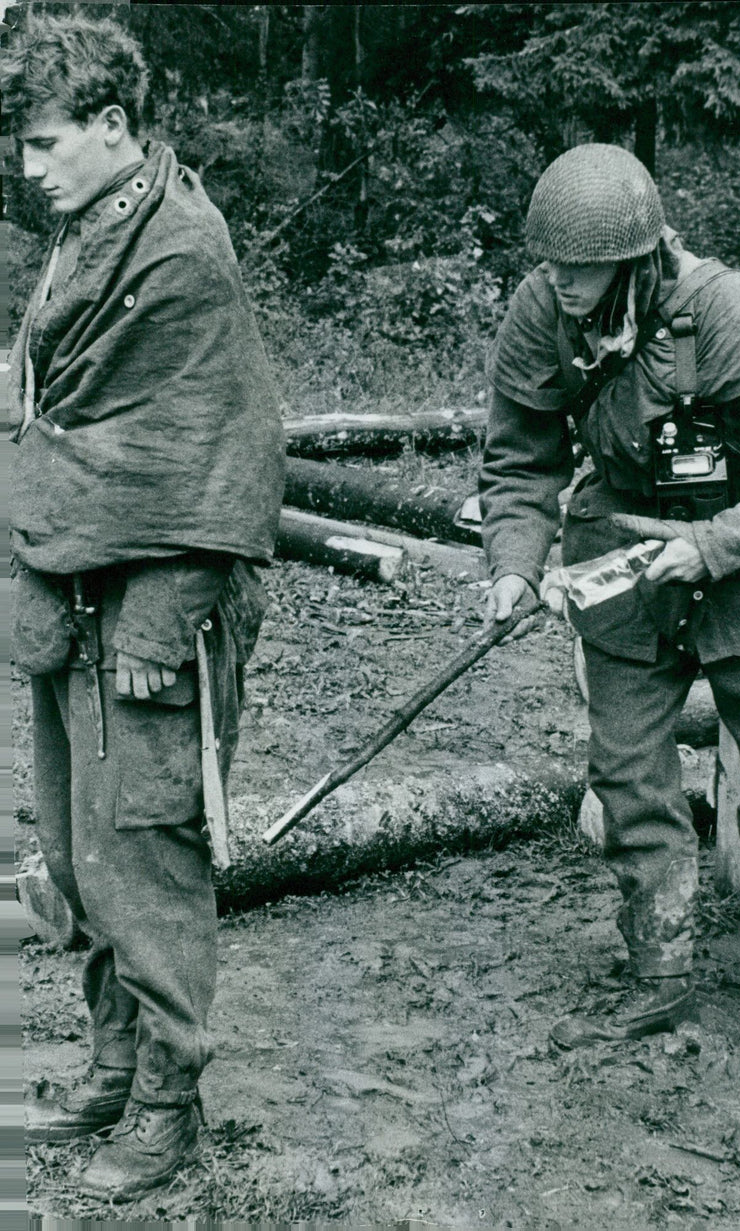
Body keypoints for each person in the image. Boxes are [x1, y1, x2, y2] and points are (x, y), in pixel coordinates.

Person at [4, 13, 285, 1198]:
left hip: (156, 601)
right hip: (76, 580)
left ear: (115, 127)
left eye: (46, 142)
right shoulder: (85, 233)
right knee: (79, 841)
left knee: (146, 851)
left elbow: (218, 444)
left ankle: (170, 1100)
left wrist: (167, 620)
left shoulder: (180, 249)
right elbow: (69, 414)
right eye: (21, 146)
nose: (28, 167)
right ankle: (114, 1065)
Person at [480, 143, 740, 1072]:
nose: (559, 281)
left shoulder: (730, 312)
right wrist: (512, 564)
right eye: (548, 262)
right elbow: (521, 454)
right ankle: (658, 967)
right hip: (621, 561)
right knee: (626, 772)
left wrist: (711, 544)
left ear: (634, 254)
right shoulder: (543, 315)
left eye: (578, 266)